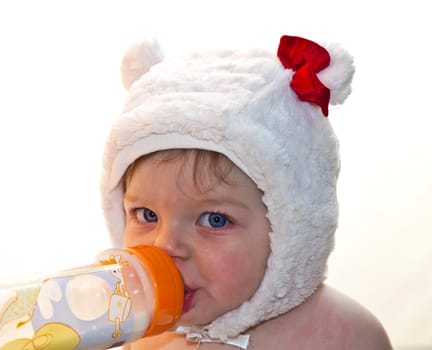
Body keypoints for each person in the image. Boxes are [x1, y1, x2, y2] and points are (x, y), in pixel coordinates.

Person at [100, 35, 392, 349]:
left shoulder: (343, 336)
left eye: (214, 220)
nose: (165, 246)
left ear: (290, 232)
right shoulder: (137, 329)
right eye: (147, 215)